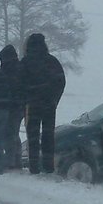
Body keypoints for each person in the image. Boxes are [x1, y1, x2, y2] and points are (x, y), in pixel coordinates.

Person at [21, 33, 66, 174]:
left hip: (31, 105)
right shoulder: (52, 61)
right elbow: (61, 82)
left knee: (32, 136)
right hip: (49, 105)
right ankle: (48, 166)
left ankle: (34, 167)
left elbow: (19, 84)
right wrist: (54, 100)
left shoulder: (26, 62)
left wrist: (25, 99)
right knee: (48, 135)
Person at [0, 44, 25, 170]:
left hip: (11, 106)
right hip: (19, 106)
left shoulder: (9, 69)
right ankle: (16, 159)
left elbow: (9, 87)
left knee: (8, 133)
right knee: (13, 133)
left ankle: (10, 161)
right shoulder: (19, 68)